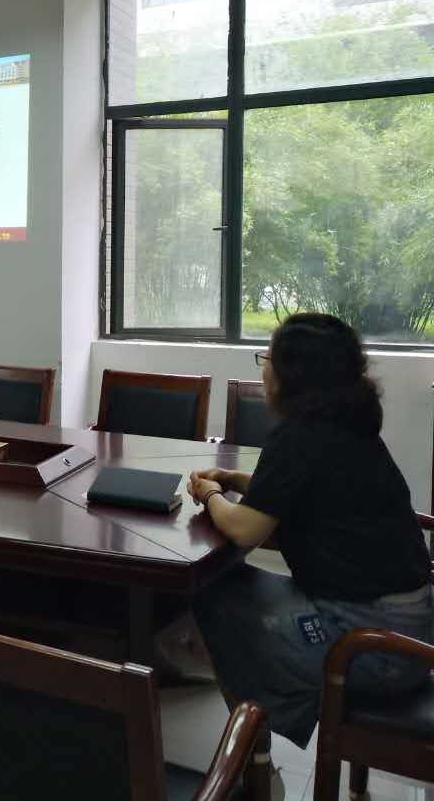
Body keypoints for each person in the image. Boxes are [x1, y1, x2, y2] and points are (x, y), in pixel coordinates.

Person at [188, 313, 432, 749]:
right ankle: (256, 742)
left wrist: (210, 495)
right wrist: (237, 481)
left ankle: (252, 748)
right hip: (411, 629)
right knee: (232, 588)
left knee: (215, 601)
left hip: (372, 645)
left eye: (267, 358)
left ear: (294, 375)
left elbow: (245, 529)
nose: (264, 368)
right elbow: (306, 491)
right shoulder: (346, 426)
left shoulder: (299, 435)